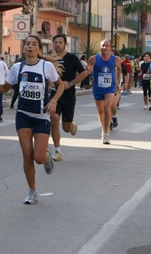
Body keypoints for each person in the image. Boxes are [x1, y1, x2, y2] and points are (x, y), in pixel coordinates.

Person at [0, 35, 64, 204]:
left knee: (38, 157)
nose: (30, 47)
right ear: (23, 48)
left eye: (34, 44)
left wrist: (53, 101)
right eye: (27, 44)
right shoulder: (17, 68)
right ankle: (32, 191)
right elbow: (5, 88)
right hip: (23, 115)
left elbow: (61, 85)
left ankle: (46, 156)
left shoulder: (47, 66)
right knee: (27, 155)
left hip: (41, 116)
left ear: (39, 49)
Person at [50, 33, 88, 161]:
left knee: (66, 128)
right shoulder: (49, 58)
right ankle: (57, 151)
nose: (57, 44)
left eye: (60, 42)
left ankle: (71, 125)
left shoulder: (72, 58)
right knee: (54, 120)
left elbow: (83, 73)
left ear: (65, 44)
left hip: (68, 94)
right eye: (55, 42)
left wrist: (70, 83)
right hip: (54, 94)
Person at [87, 40, 121, 144]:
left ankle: (106, 134)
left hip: (110, 87)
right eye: (103, 45)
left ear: (110, 48)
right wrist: (89, 69)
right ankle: (103, 129)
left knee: (107, 108)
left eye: (107, 46)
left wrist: (117, 82)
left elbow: (119, 69)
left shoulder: (116, 59)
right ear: (100, 47)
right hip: (98, 87)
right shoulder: (93, 59)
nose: (105, 47)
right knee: (100, 112)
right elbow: (87, 69)